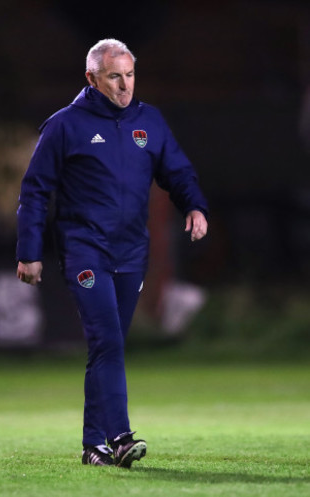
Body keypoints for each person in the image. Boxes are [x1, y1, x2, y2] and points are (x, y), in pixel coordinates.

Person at [15, 39, 208, 468]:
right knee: (107, 341)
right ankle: (119, 437)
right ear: (92, 78)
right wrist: (29, 252)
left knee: (109, 346)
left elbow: (177, 171)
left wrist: (194, 205)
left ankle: (92, 446)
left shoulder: (149, 122)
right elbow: (34, 191)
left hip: (131, 252)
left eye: (130, 75)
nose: (125, 85)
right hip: (85, 249)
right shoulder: (65, 126)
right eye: (114, 77)